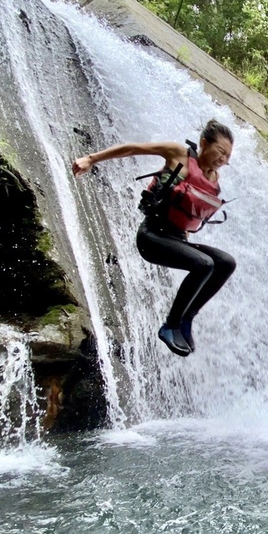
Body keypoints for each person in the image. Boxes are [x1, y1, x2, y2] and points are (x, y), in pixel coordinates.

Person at [72, 119, 236, 357]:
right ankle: (171, 325)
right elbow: (133, 148)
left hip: (177, 240)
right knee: (204, 264)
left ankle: (186, 318)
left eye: (228, 156)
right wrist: (91, 159)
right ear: (203, 143)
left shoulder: (213, 180)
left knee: (226, 263)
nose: (223, 159)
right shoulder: (179, 154)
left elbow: (189, 214)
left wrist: (186, 243)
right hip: (152, 236)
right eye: (220, 151)